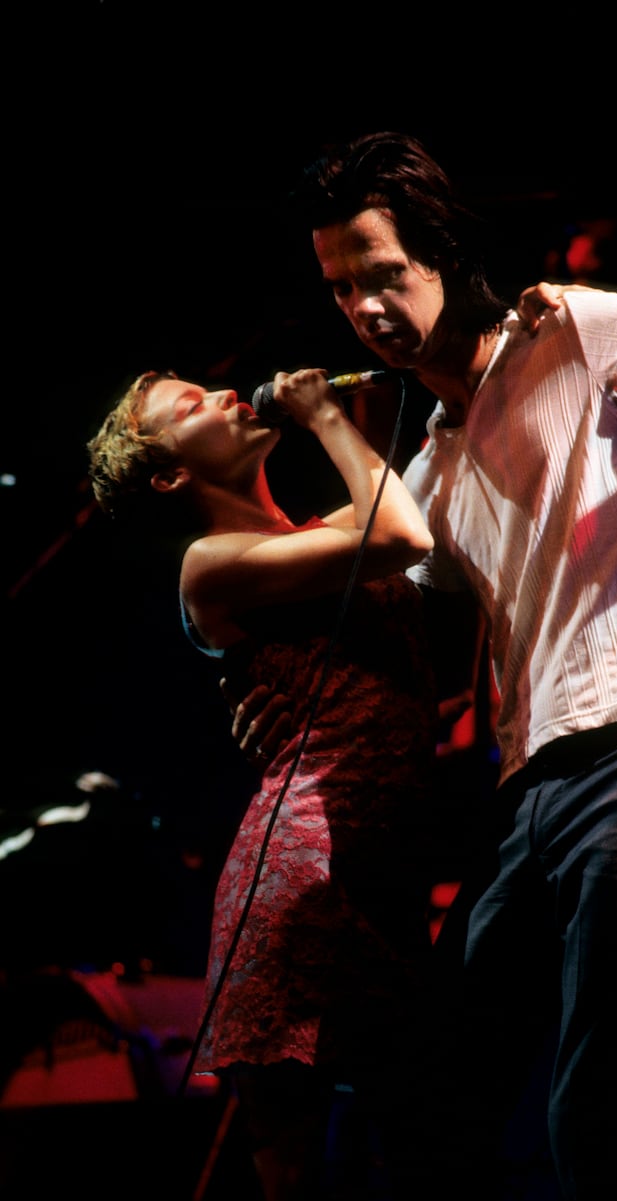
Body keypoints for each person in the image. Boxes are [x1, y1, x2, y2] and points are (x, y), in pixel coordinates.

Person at [228, 67, 617, 1200]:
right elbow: (341, 596)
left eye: (382, 275)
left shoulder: (573, 331)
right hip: (529, 785)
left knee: (602, 1111)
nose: (364, 309)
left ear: (438, 252)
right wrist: (270, 682)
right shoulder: (431, 467)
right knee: (438, 1095)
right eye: (340, 289)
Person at [86, 366, 464, 1200]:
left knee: (419, 1154)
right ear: (170, 475)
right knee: (294, 1170)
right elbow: (404, 536)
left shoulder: (322, 533)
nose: (226, 394)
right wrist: (326, 415)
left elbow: (414, 508)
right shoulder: (209, 563)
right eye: (191, 406)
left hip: (383, 873)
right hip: (303, 880)